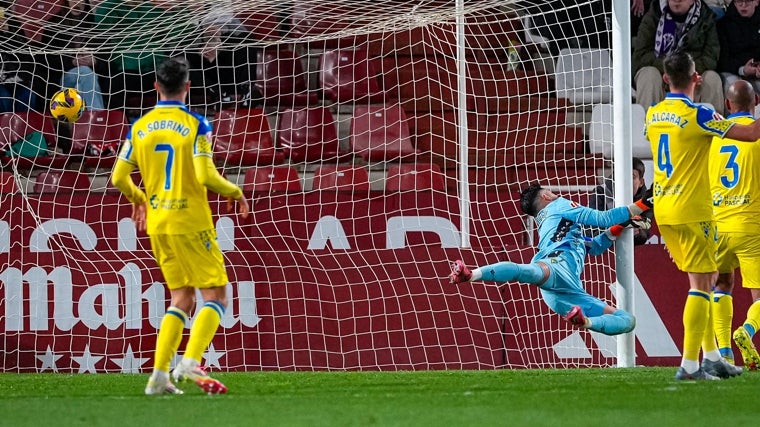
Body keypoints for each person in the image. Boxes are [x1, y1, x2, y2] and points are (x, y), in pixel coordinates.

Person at [110, 57, 250, 395]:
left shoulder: (139, 126)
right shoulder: (196, 124)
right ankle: (190, 361)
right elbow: (205, 175)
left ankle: (159, 376)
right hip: (190, 220)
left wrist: (139, 199)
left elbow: (117, 177)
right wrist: (235, 190)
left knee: (182, 297)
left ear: (156, 87)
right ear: (188, 86)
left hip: (158, 222)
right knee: (216, 295)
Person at [643, 50, 760, 380]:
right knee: (701, 285)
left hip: (663, 209)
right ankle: (689, 365)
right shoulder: (701, 114)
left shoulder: (653, 113)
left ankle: (712, 357)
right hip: (692, 209)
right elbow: (750, 134)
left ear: (665, 78)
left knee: (708, 282)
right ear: (697, 78)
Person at [449, 183, 653, 336]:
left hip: (565, 293)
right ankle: (472, 274)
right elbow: (603, 219)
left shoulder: (554, 223)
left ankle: (585, 322)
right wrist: (644, 203)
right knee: (526, 271)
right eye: (553, 192)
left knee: (627, 320)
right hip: (556, 267)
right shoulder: (559, 205)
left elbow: (594, 247)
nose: (557, 194)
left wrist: (622, 226)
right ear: (546, 195)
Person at [708, 79, 760, 370]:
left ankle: (725, 353)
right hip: (751, 223)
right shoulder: (756, 135)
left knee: (723, 284)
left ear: (727, 105)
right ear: (755, 103)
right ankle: (748, 331)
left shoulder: (714, 137)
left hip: (718, 225)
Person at [632, 0, 724, 114]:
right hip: (661, 73)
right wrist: (670, 70)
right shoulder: (653, 16)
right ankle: (646, 128)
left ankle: (713, 128)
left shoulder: (706, 18)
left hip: (693, 75)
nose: (676, 0)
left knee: (712, 78)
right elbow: (641, 55)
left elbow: (711, 57)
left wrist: (686, 72)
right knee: (649, 75)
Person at [589, 157, 654, 246]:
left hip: (631, 254)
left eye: (632, 177)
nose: (625, 181)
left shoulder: (647, 200)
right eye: (621, 175)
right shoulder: (600, 193)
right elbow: (592, 233)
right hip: (604, 254)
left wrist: (638, 233)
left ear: (641, 182)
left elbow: (645, 234)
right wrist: (619, 228)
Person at [716, 0, 760, 95]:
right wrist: (743, 69)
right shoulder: (723, 25)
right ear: (734, 3)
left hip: (756, 70)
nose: (743, 5)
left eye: (748, 1)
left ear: (756, 2)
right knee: (738, 90)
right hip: (733, 71)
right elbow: (722, 61)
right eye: (739, 1)